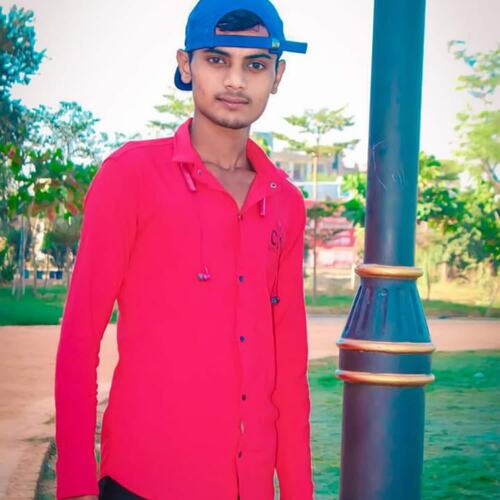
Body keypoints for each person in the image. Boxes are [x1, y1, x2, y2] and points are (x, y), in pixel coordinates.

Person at [54, 1, 313, 499]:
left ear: (277, 75)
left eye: (256, 64)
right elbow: (80, 339)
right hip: (143, 482)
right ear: (185, 65)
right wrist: (77, 481)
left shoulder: (284, 201)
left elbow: (288, 366)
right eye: (217, 59)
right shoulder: (130, 177)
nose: (235, 80)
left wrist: (299, 490)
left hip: (249, 486)